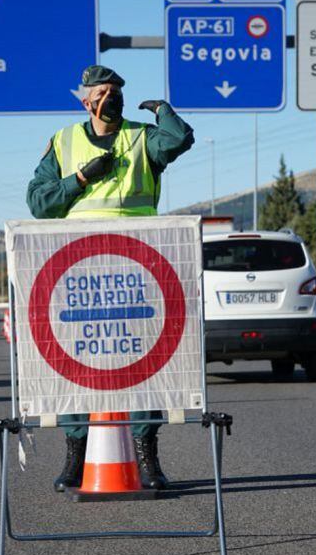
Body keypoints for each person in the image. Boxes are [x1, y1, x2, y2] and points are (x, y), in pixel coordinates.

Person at [26, 65, 194, 492]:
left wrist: (163, 110)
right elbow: (39, 203)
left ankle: (147, 458)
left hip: (137, 271)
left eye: (117, 91)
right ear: (86, 100)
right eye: (102, 92)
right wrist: (81, 178)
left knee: (144, 366)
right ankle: (75, 459)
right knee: (74, 367)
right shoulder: (64, 142)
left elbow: (178, 140)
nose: (111, 98)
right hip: (78, 274)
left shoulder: (141, 137)